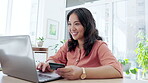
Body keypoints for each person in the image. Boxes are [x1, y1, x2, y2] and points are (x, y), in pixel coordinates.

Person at [37, 7, 123, 80]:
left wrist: (82, 72)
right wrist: (48, 64)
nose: (72, 28)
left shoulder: (99, 46)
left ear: (88, 25)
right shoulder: (69, 44)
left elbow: (117, 70)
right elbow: (55, 59)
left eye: (77, 24)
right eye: (69, 24)